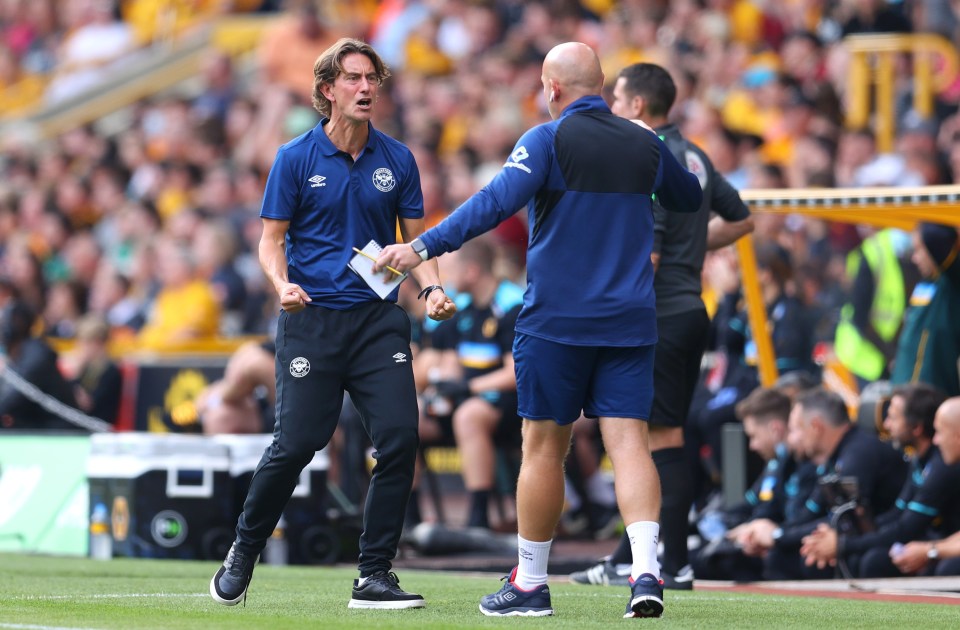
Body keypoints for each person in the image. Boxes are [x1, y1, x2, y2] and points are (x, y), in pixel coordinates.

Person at [376, 42, 703, 618]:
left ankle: (530, 583)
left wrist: (422, 246)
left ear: (552, 89)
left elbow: (492, 204)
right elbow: (689, 196)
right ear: (601, 85)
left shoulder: (547, 139)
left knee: (544, 448)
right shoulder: (644, 141)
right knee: (628, 444)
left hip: (558, 322)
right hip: (630, 321)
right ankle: (647, 572)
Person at [209, 38, 456, 611]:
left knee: (398, 439)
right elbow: (271, 241)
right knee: (296, 444)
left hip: (377, 321)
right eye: (353, 78)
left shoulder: (398, 160)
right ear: (328, 91)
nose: (366, 87)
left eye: (372, 77)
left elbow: (419, 243)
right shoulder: (295, 158)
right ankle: (244, 550)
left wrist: (434, 287)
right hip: (312, 320)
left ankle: (374, 574)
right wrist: (281, 286)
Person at [569, 61, 754, 591]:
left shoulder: (649, 155)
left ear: (638, 107)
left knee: (654, 437)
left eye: (619, 99)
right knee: (648, 436)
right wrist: (691, 250)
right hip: (687, 308)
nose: (612, 108)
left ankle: (670, 563)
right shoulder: (695, 153)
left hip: (657, 313)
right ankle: (641, 556)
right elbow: (742, 218)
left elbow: (643, 256)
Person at [732, 388, 906, 580]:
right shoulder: (831, 458)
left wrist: (777, 536)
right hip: (859, 537)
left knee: (850, 560)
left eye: (797, 428)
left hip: (888, 539)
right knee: (783, 556)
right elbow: (811, 514)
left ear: (815, 426)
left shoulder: (858, 453)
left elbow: (847, 521)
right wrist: (770, 533)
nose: (792, 438)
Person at [800, 383, 960, 577]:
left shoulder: (942, 467)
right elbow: (898, 514)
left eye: (892, 417)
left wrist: (843, 544)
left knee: (879, 561)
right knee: (865, 557)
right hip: (936, 541)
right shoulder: (919, 460)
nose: (885, 425)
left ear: (917, 427)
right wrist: (845, 536)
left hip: (935, 542)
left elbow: (906, 528)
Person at [425, 237, 524, 532]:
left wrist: (468, 389)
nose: (447, 279)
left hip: (511, 403)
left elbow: (517, 374)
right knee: (408, 417)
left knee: (469, 415)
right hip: (467, 398)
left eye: (451, 270)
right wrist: (439, 388)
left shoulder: (512, 306)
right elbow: (450, 363)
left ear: (470, 272)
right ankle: (410, 519)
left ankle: (477, 517)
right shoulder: (461, 308)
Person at [891, 397, 960, 576]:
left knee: (949, 569)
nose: (935, 440)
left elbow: (907, 527)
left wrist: (930, 551)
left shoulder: (944, 469)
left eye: (939, 432)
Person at [890, 223, 960, 397]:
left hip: (930, 400)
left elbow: (935, 236)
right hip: (903, 391)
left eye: (920, 249)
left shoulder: (952, 281)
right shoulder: (926, 283)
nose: (915, 258)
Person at [0, 300, 80, 431]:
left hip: (57, 429)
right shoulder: (19, 355)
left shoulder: (36, 356)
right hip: (34, 425)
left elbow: (12, 400)